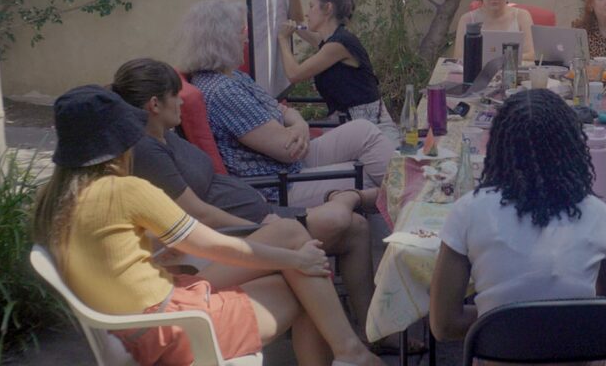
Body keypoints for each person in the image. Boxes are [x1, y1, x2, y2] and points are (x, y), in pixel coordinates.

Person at [32, 85, 384, 366]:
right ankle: (351, 352)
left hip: (141, 317)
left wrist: (149, 253)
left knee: (291, 235)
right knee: (306, 287)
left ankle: (351, 352)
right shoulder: (125, 191)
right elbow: (215, 246)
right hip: (171, 330)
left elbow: (105, 253)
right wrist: (295, 262)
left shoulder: (52, 199)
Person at [112, 57, 396, 351]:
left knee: (357, 228)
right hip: (239, 233)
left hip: (256, 216)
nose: (181, 103)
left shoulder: (165, 137)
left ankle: (369, 335)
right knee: (314, 250)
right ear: (155, 105)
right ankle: (353, 349)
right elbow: (196, 213)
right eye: (175, 96)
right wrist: (257, 225)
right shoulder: (147, 151)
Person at [429, 89, 606, 340]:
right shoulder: (600, 215)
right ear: (573, 147)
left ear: (497, 146)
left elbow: (444, 325)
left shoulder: (469, 211)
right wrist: (555, 324)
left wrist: (502, 320)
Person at [178, 0, 395, 204]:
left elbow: (280, 109)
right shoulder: (224, 92)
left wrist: (298, 123)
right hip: (278, 183)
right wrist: (294, 125)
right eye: (243, 32)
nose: (247, 39)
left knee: (364, 131)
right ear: (222, 39)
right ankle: (412, 212)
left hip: (292, 161)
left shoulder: (232, 76)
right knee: (371, 178)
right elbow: (287, 149)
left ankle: (412, 196)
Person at [276, 0, 399, 143]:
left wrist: (282, 39)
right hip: (349, 127)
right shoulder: (329, 39)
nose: (307, 13)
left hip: (372, 131)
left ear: (327, 9)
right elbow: (297, 23)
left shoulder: (339, 45)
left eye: (311, 7)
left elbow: (294, 74)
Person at [453, 0, 535, 61]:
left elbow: (531, 55)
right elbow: (458, 57)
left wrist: (499, 59)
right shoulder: (467, 20)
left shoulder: (522, 17)